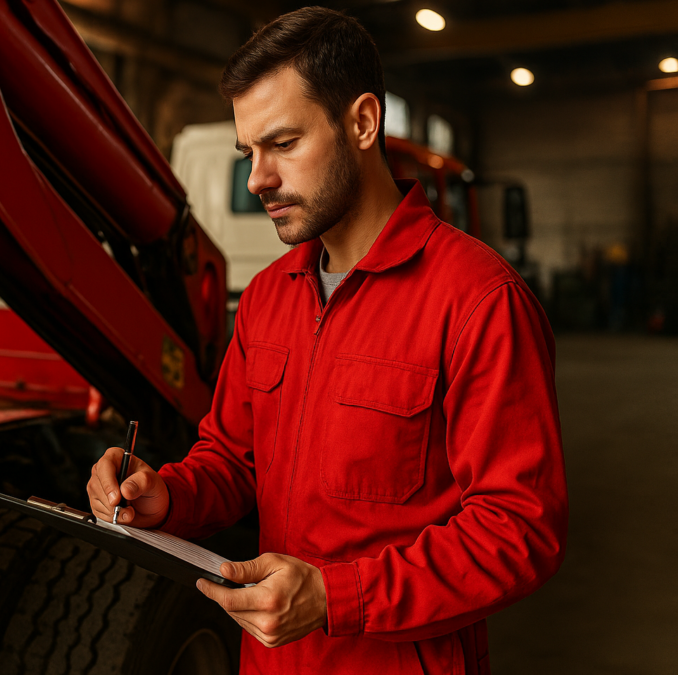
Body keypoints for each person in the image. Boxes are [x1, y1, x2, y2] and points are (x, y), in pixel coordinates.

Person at [87, 7, 567, 674]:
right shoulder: (267, 297)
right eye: (249, 151)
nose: (258, 178)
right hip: (272, 660)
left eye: (282, 144)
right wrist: (167, 494)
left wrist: (336, 594)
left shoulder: (479, 300)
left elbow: (519, 529)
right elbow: (233, 456)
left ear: (363, 123)